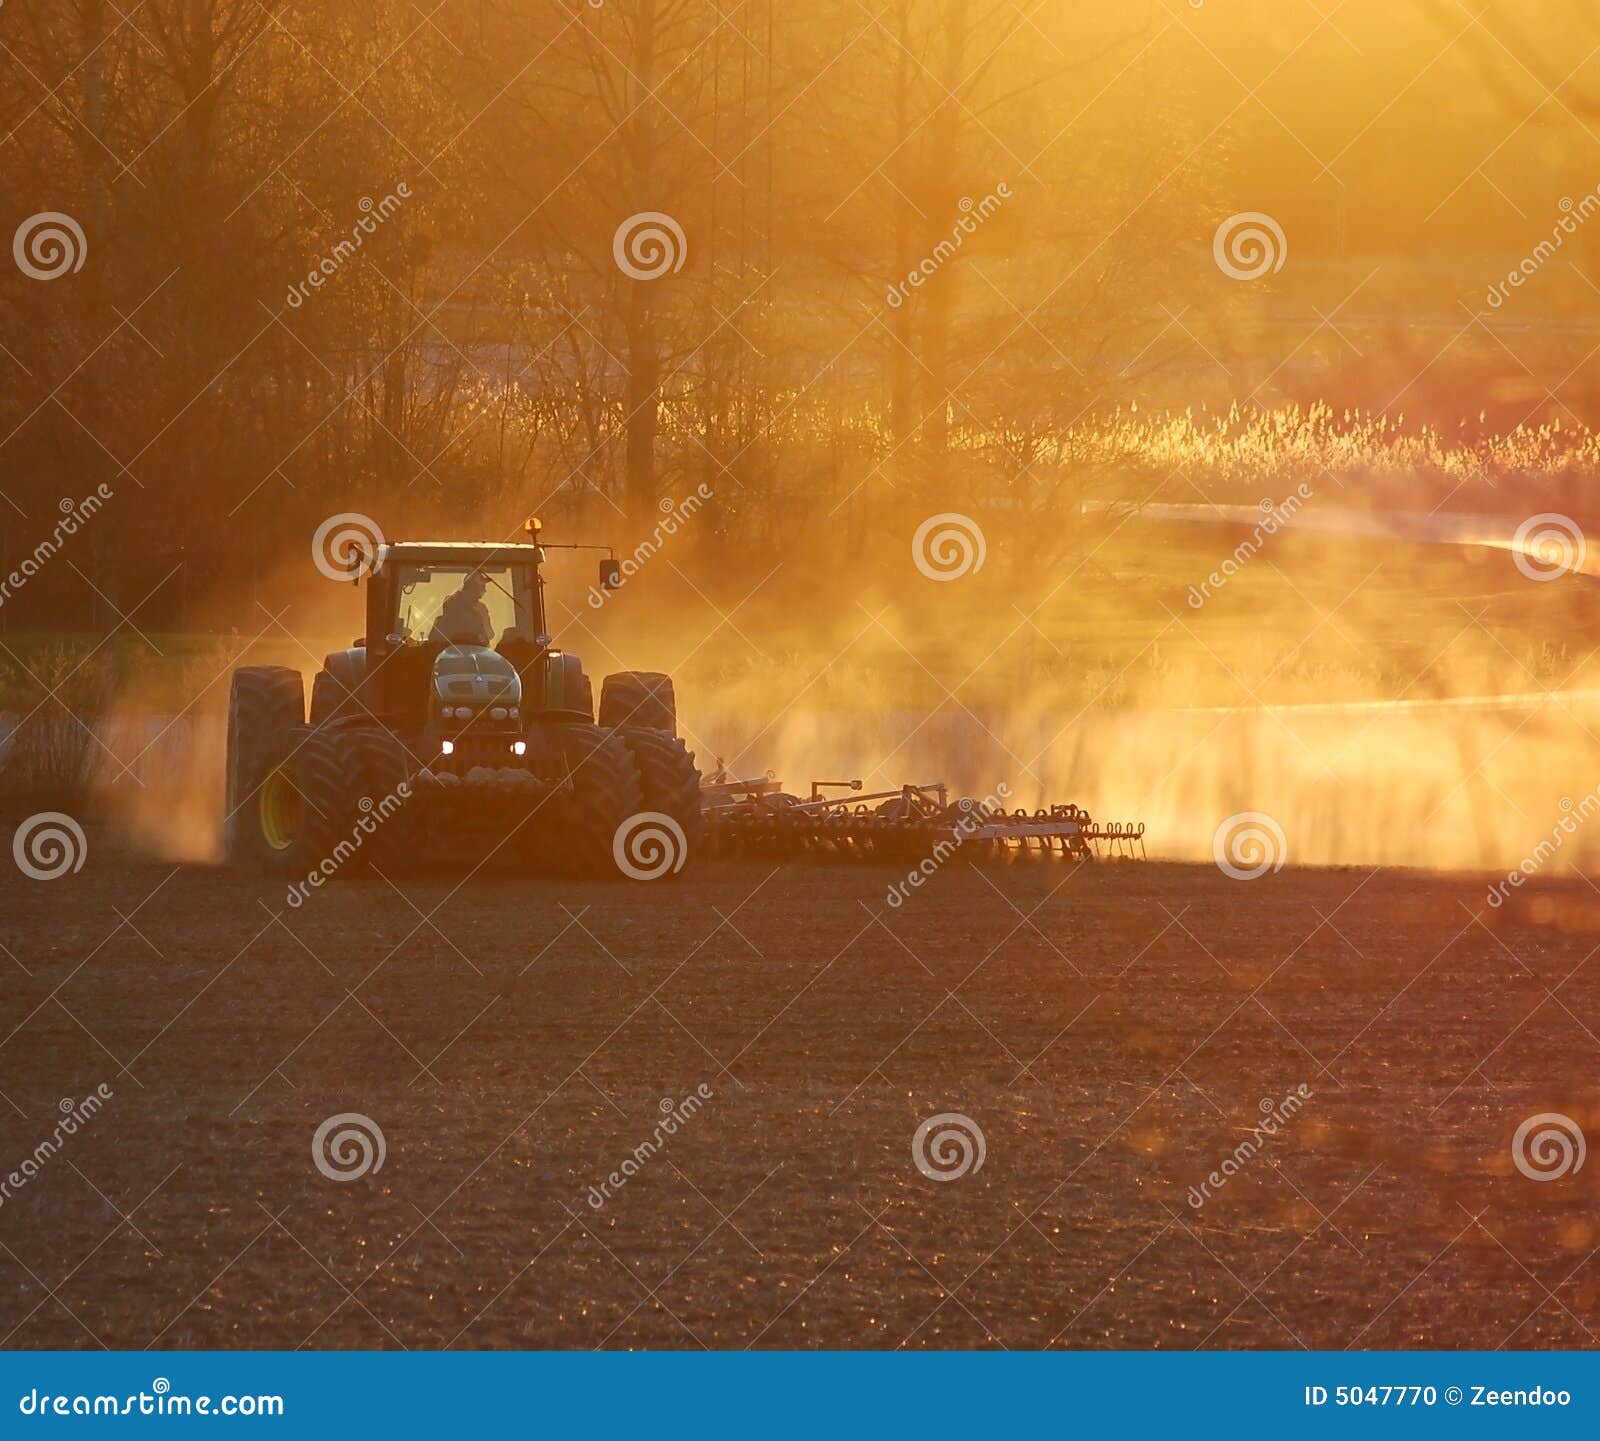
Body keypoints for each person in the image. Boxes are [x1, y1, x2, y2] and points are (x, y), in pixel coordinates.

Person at [433, 573, 494, 646]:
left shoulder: (451, 605)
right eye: (482, 586)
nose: (485, 590)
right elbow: (489, 634)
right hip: (467, 654)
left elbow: (489, 635)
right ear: (473, 588)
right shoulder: (477, 611)